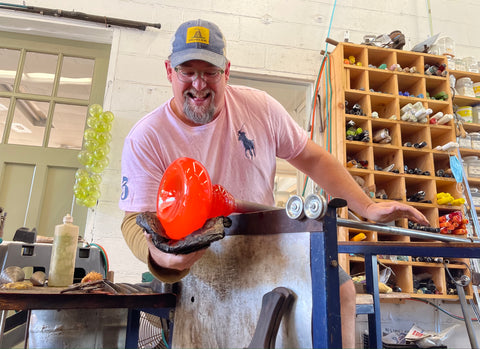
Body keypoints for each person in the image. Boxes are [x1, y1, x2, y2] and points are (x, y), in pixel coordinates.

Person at [119, 19, 429, 348]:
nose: (199, 83)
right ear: (169, 71)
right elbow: (133, 220)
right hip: (200, 256)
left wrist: (366, 206)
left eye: (210, 71)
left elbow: (313, 158)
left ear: (226, 72)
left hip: (265, 242)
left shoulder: (260, 108)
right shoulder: (147, 137)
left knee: (339, 290)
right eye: (187, 71)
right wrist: (162, 258)